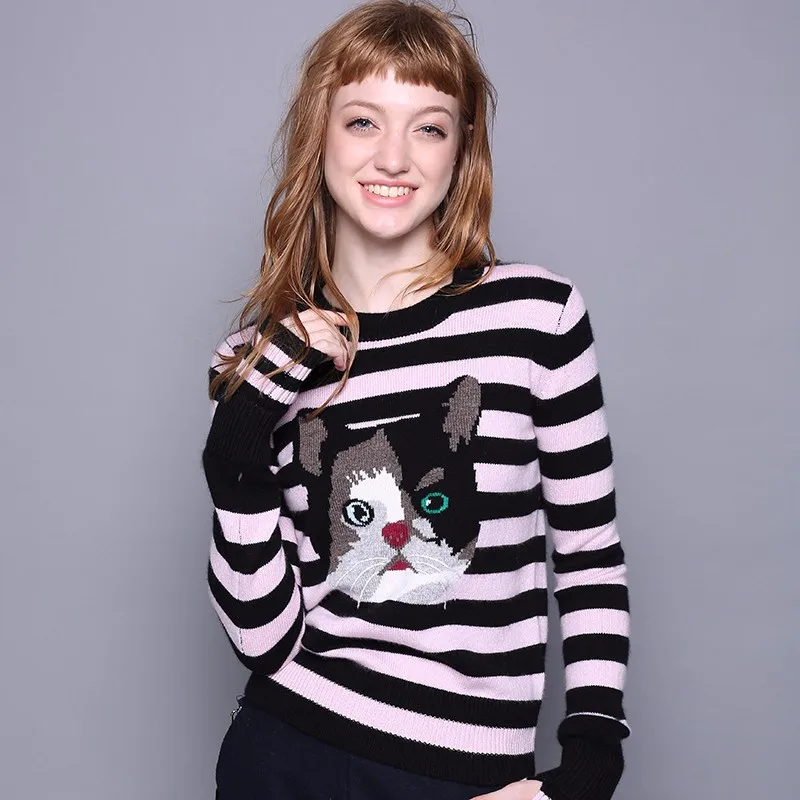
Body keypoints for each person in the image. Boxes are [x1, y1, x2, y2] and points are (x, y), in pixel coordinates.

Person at [202, 2, 631, 798]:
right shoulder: (258, 358)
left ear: (461, 148)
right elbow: (260, 637)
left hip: (468, 774)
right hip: (289, 749)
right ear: (320, 135)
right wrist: (237, 439)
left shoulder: (534, 317)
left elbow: (589, 554)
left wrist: (591, 761)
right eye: (363, 121)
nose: (394, 157)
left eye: (428, 128)